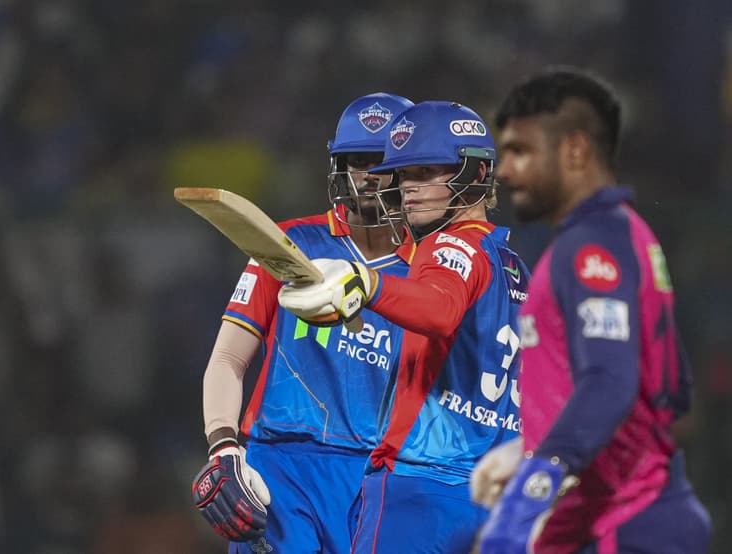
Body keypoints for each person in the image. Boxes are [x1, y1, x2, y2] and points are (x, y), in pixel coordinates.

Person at [474, 68, 712, 553]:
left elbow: (608, 381)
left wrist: (532, 488)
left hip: (625, 521)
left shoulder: (590, 248)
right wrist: (530, 446)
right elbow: (667, 389)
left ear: (575, 150)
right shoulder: (624, 234)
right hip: (622, 513)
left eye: (520, 150)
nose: (505, 170)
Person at [278, 100, 530, 553]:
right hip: (497, 499)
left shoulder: (448, 245)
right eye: (404, 175)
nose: (409, 188)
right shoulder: (514, 266)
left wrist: (368, 283)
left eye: (426, 172)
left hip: (421, 486)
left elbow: (439, 307)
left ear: (475, 172)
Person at [190, 92, 415, 554]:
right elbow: (228, 358)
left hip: (381, 476)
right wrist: (223, 447)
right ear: (339, 166)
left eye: (382, 162)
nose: (368, 176)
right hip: (281, 467)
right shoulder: (287, 243)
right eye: (357, 161)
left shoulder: (432, 271)